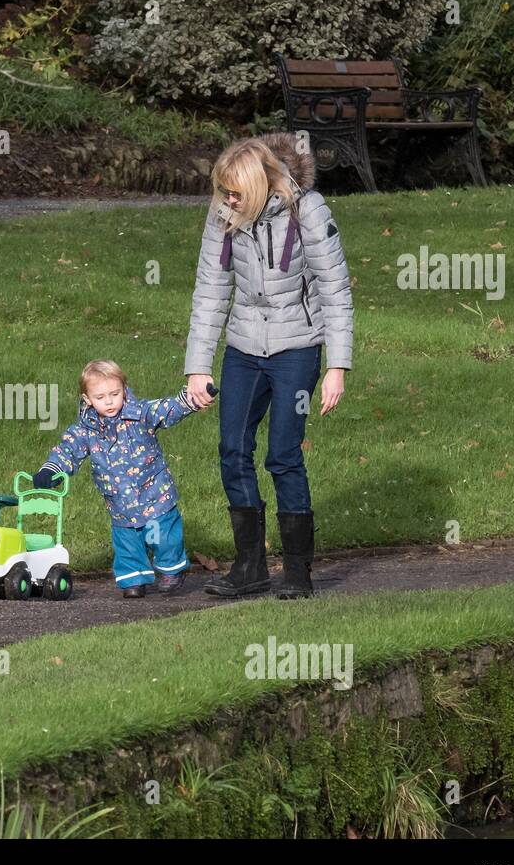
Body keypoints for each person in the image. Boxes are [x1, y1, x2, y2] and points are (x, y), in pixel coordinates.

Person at [183, 131, 354, 599]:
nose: (228, 201)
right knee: (232, 450)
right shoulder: (225, 211)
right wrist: (197, 366)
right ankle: (249, 566)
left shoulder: (309, 211)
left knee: (283, 455)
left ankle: (298, 571)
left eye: (236, 193)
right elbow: (210, 291)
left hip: (296, 348)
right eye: (224, 192)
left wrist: (337, 366)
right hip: (243, 347)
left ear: (261, 185)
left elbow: (335, 292)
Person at [33, 360, 203, 598]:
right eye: (101, 397)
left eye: (115, 393)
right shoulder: (85, 431)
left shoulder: (140, 415)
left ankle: (171, 570)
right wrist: (50, 471)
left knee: (164, 538)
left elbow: (167, 408)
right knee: (128, 544)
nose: (110, 401)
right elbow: (67, 450)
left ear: (123, 389)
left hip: (155, 494)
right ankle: (134, 579)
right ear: (88, 399)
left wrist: (192, 399)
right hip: (120, 505)